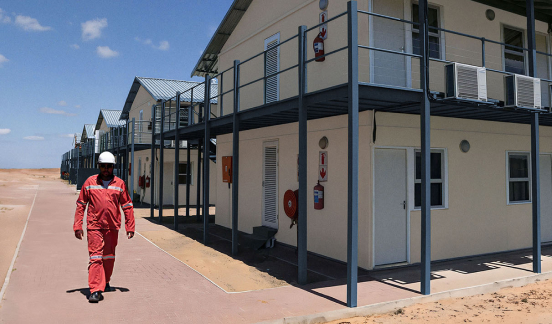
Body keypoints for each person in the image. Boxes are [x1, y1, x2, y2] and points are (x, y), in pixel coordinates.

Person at [73, 151, 135, 303]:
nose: (106, 169)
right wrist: (78, 226)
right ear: (99, 166)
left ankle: (106, 281)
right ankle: (95, 290)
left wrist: (130, 226)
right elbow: (81, 205)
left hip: (112, 227)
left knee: (109, 257)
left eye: (109, 166)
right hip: (94, 226)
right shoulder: (90, 182)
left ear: (113, 167)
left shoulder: (120, 184)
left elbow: (127, 206)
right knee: (95, 257)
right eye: (103, 166)